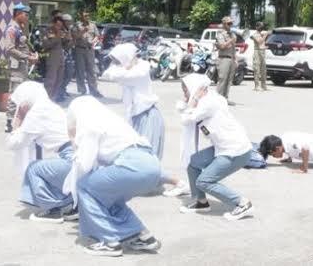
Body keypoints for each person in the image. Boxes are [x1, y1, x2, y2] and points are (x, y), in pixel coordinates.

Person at [62, 96, 162, 257]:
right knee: (107, 194)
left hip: (132, 164)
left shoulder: (89, 124)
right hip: (151, 165)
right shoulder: (110, 119)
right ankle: (142, 235)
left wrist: (73, 143)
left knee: (85, 187)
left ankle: (110, 242)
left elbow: (84, 164)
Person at [102, 43, 188, 196]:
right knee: (134, 155)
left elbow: (117, 74)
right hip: (137, 117)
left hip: (148, 116)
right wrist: (124, 65)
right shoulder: (130, 68)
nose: (116, 64)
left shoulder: (142, 68)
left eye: (119, 60)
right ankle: (147, 183)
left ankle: (179, 183)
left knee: (146, 157)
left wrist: (124, 67)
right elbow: (107, 74)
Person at [176, 74, 254, 220]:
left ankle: (242, 203)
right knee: (193, 163)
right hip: (223, 147)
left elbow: (186, 118)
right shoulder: (208, 99)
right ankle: (201, 201)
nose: (184, 94)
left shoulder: (208, 103)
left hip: (235, 151)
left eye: (185, 90)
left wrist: (192, 101)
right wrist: (190, 101)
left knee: (204, 181)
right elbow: (183, 109)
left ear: (194, 89)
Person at [6, 82, 77, 223]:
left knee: (33, 168)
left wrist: (18, 121)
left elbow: (14, 143)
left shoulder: (36, 113)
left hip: (71, 158)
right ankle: (70, 203)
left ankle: (53, 209)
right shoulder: (50, 107)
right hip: (76, 155)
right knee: (45, 166)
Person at [3, 4, 39, 133]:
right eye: (26, 14)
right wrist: (27, 57)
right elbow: (10, 48)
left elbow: (21, 47)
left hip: (22, 66)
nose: (27, 17)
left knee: (22, 94)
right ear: (18, 13)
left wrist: (30, 55)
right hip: (16, 67)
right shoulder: (12, 29)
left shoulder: (19, 29)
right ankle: (9, 122)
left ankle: (18, 120)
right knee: (15, 94)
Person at [72, 11, 102, 98]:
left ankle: (94, 90)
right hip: (80, 49)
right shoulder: (77, 26)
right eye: (85, 15)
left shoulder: (92, 25)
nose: (87, 17)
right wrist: (82, 31)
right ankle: (82, 90)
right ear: (81, 16)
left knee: (92, 71)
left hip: (90, 50)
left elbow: (97, 35)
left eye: (88, 15)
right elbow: (74, 37)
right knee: (80, 70)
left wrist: (94, 41)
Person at [43, 15, 71, 101]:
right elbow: (46, 45)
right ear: (53, 24)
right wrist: (57, 37)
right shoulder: (48, 31)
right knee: (51, 80)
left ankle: (53, 98)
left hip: (60, 57)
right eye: (57, 25)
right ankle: (46, 98)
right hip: (52, 57)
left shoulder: (62, 32)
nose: (59, 27)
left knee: (59, 79)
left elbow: (66, 46)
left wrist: (69, 39)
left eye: (61, 26)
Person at [215, 16, 237, 103]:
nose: (230, 25)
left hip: (231, 58)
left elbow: (233, 48)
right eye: (229, 23)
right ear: (224, 24)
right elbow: (222, 46)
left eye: (231, 23)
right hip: (223, 59)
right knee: (222, 79)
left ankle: (225, 98)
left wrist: (235, 59)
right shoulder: (220, 34)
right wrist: (231, 40)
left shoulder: (232, 34)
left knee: (229, 80)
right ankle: (218, 99)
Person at [57, 14, 76, 101]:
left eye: (70, 21)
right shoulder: (60, 31)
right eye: (68, 21)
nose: (70, 23)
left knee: (69, 74)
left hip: (68, 55)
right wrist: (71, 40)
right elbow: (63, 44)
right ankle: (59, 93)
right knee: (62, 75)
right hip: (61, 55)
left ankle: (62, 89)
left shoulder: (69, 30)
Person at [251, 22, 269, 91]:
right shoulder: (254, 35)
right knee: (257, 69)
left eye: (262, 26)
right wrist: (265, 36)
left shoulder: (262, 33)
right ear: (256, 27)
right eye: (260, 26)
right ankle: (257, 86)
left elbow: (263, 43)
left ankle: (263, 85)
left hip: (262, 52)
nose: (261, 28)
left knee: (263, 70)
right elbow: (259, 42)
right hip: (257, 52)